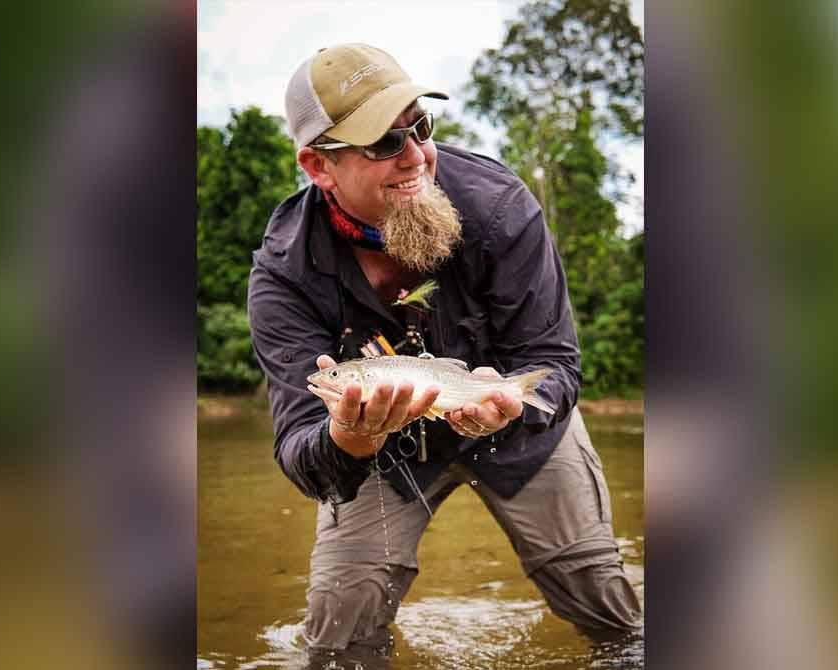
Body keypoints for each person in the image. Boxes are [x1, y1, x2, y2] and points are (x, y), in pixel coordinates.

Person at [248, 43, 641, 666]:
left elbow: (556, 364)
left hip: (520, 433)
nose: (415, 156)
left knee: (608, 610)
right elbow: (301, 451)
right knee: (336, 642)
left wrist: (511, 405)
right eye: (384, 142)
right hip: (381, 458)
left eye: (420, 127)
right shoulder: (284, 273)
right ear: (319, 166)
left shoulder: (500, 207)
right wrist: (349, 438)